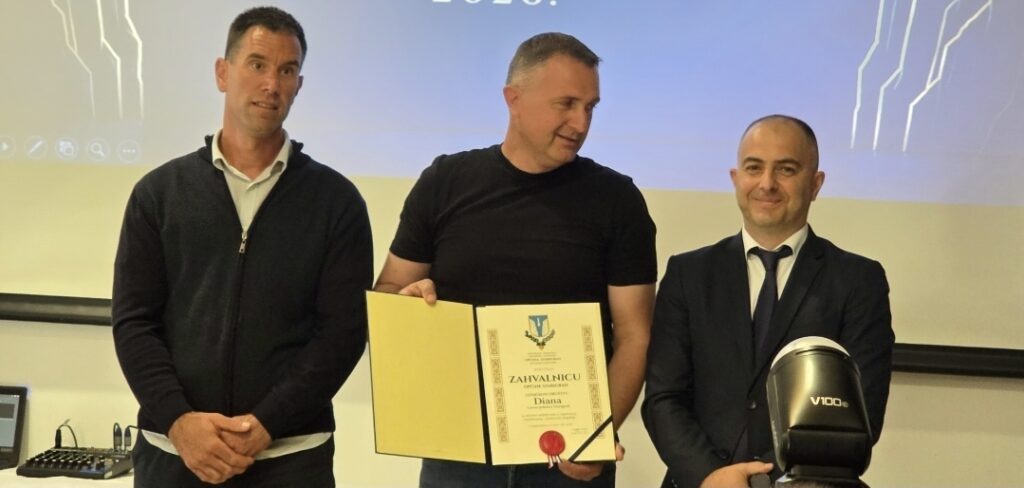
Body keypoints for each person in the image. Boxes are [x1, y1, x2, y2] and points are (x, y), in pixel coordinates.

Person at [373, 32, 657, 487]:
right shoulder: (445, 181)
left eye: (590, 107)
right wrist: (407, 302)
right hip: (456, 453)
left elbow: (635, 335)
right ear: (514, 99)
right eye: (566, 104)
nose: (581, 123)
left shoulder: (617, 200)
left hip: (567, 459)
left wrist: (597, 434)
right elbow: (388, 292)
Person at [112, 7, 372, 487]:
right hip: (175, 454)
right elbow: (134, 323)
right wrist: (179, 422)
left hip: (291, 459)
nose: (271, 84)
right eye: (257, 64)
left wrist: (268, 422)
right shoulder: (159, 194)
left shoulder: (337, 203)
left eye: (287, 71)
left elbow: (343, 333)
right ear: (222, 73)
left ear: (298, 85)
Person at [642, 115, 894, 488]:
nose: (767, 183)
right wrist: (710, 477)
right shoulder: (688, 274)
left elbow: (862, 414)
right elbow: (663, 398)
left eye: (786, 169)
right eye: (754, 168)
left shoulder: (858, 280)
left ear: (816, 184)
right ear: (735, 178)